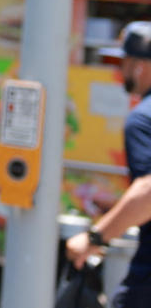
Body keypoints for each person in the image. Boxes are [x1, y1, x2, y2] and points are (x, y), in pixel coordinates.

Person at [67, 21, 151, 308]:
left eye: (123, 62)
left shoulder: (143, 119)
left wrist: (95, 237)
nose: (120, 71)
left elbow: (149, 190)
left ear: (140, 65)